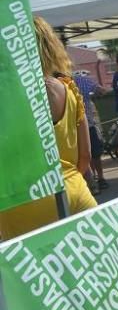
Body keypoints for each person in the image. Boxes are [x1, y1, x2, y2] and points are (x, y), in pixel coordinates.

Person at [0, 17, 97, 239]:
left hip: (23, 204)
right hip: (73, 194)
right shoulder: (69, 89)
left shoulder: (5, 99)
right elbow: (85, 156)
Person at [72, 70, 110, 193]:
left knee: (81, 155)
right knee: (94, 153)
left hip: (71, 127)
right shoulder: (84, 80)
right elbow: (102, 90)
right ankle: (100, 178)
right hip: (87, 122)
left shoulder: (59, 83)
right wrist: (92, 95)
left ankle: (90, 181)